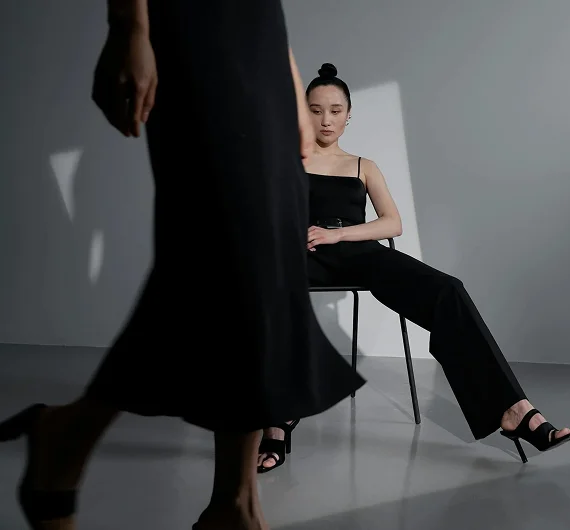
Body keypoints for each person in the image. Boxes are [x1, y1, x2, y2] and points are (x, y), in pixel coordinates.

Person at [0, 2, 362, 529]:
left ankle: (232, 499)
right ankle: (77, 441)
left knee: (259, 255)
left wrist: (286, 76)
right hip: (194, 27)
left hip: (260, 39)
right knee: (228, 248)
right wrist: (129, 24)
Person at [256, 63, 570, 474]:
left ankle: (515, 410)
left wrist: (338, 235)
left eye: (335, 111)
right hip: (302, 256)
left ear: (349, 115)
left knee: (448, 290)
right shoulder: (287, 161)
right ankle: (278, 417)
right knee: (267, 294)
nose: (326, 120)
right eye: (316, 111)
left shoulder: (363, 165)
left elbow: (392, 223)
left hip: (358, 254)